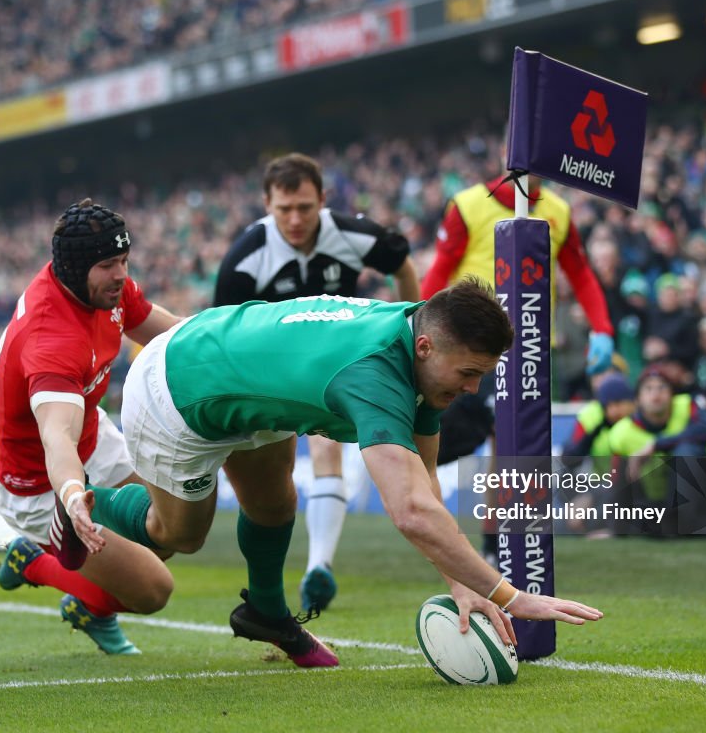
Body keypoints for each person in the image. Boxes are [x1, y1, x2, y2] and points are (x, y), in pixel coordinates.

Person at [63, 278, 602, 668]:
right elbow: (410, 512)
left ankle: (266, 615)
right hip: (176, 389)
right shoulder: (376, 375)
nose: (472, 390)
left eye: (481, 376)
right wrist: (510, 595)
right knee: (177, 535)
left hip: (243, 374)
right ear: (426, 347)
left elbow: (425, 483)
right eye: (468, 374)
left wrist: (462, 585)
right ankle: (83, 502)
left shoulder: (425, 345)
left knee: (275, 505)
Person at [213, 152, 420, 612]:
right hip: (273, 363)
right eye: (284, 209)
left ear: (323, 201)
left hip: (338, 351)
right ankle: (306, 571)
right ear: (266, 204)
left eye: (305, 208)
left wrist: (412, 328)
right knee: (277, 482)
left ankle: (318, 568)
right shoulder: (246, 258)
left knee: (327, 444)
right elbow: (221, 328)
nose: (295, 219)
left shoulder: (352, 234)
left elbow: (402, 265)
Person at [0, 198, 181, 655]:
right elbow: (58, 438)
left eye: (124, 261)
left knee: (169, 532)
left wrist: (233, 341)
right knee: (154, 590)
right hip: (38, 482)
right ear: (76, 269)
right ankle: (32, 561)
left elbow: (171, 334)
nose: (121, 274)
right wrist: (73, 498)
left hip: (93, 438)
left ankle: (89, 608)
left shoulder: (98, 286)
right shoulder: (51, 338)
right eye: (108, 265)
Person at [420, 169, 614, 556]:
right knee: (466, 430)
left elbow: (579, 272)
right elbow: (440, 268)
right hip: (467, 345)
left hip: (530, 347)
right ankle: (423, 495)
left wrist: (602, 329)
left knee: (507, 443)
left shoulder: (558, 210)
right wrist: (417, 322)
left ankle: (496, 544)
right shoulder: (469, 205)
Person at [607, 364, 706, 536]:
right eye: (648, 388)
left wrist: (656, 445)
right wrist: (615, 531)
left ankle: (686, 525)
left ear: (672, 394)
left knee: (685, 449)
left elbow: (704, 429)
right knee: (641, 519)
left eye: (662, 387)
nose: (656, 393)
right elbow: (618, 482)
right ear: (637, 399)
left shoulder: (690, 405)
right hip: (666, 500)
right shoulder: (622, 433)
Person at [560, 373, 636, 536]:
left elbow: (621, 476)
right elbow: (568, 459)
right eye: (608, 405)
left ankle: (602, 528)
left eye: (618, 403)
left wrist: (590, 496)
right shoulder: (596, 423)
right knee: (564, 477)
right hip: (601, 486)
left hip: (626, 491)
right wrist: (594, 433)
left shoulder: (636, 426)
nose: (614, 410)